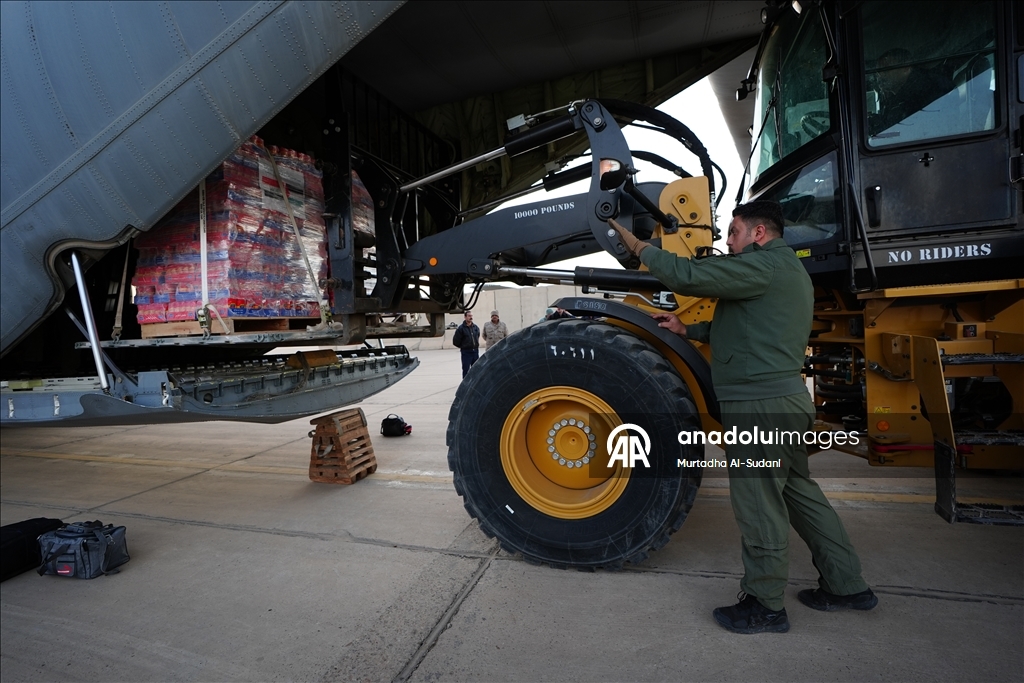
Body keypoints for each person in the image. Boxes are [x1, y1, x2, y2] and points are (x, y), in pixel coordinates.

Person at [610, 200, 876, 635]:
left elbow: (687, 276)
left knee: (759, 505)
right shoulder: (783, 271)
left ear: (758, 233)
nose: (726, 241)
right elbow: (747, 326)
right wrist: (687, 330)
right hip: (783, 404)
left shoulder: (763, 265)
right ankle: (847, 586)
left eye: (732, 232)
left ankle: (765, 605)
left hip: (759, 408)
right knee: (798, 496)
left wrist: (640, 246)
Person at [452, 311, 481, 378]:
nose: (471, 317)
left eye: (471, 316)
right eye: (469, 316)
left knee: (476, 369)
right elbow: (456, 341)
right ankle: (466, 386)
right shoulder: (461, 328)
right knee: (466, 369)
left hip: (475, 351)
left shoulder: (475, 327)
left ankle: (475, 384)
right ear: (465, 317)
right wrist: (464, 346)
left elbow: (477, 336)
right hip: (466, 352)